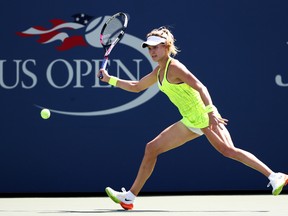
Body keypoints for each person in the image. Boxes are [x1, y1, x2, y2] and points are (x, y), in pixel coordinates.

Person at [97, 26, 288, 210]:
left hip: (204, 117)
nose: (152, 51)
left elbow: (200, 87)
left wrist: (211, 112)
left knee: (228, 150)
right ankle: (129, 198)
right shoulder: (158, 71)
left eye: (156, 47)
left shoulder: (175, 67)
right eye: (149, 47)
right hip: (189, 120)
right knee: (152, 148)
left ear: (167, 47)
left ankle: (274, 176)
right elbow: (136, 86)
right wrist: (110, 79)